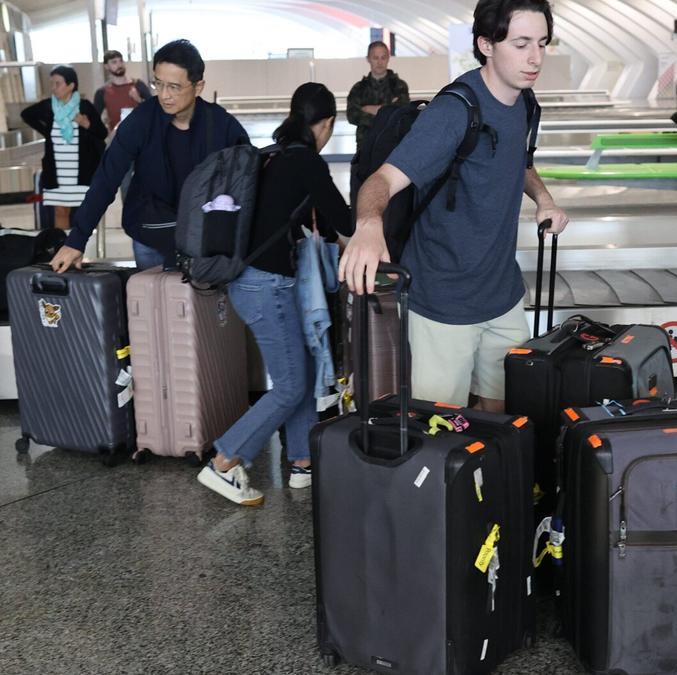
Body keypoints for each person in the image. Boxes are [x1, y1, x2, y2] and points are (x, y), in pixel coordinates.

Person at [339, 0, 570, 412]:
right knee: (443, 429)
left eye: (541, 42)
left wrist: (544, 198)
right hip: (443, 304)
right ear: (486, 44)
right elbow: (382, 180)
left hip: (503, 294)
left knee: (501, 415)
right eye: (520, 44)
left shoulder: (524, 102)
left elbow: (520, 162)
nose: (535, 58)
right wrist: (369, 224)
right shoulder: (454, 112)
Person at [197, 83, 353, 504]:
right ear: (326, 125)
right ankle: (224, 462)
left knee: (296, 370)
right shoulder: (305, 162)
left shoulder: (272, 156)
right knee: (289, 385)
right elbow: (344, 219)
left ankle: (302, 462)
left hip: (251, 281)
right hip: (265, 286)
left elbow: (297, 215)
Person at [49, 40, 249, 273]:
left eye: (174, 87)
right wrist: (77, 239)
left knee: (196, 307)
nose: (164, 95)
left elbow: (247, 182)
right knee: (153, 303)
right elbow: (106, 179)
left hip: (202, 238)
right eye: (158, 84)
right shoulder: (140, 121)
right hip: (151, 231)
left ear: (198, 87)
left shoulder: (222, 126)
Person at [21, 66, 107, 231]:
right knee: (60, 211)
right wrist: (46, 131)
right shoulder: (49, 107)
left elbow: (101, 133)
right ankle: (61, 248)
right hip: (57, 172)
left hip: (81, 171)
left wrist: (86, 124)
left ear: (71, 85)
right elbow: (26, 114)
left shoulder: (85, 107)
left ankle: (82, 248)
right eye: (52, 84)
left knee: (85, 212)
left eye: (57, 84)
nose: (53, 88)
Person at [345, 40, 410, 194]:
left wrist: (369, 109)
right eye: (375, 57)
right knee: (362, 193)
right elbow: (352, 116)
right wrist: (387, 110)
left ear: (388, 58)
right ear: (368, 59)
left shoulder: (399, 86)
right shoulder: (359, 88)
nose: (380, 62)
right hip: (364, 148)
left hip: (392, 149)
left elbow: (402, 115)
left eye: (383, 57)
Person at [93, 50, 153, 132]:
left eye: (121, 61)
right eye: (114, 62)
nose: (119, 65)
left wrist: (139, 100)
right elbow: (94, 120)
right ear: (106, 66)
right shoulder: (102, 92)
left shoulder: (138, 85)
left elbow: (153, 109)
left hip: (141, 135)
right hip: (117, 138)